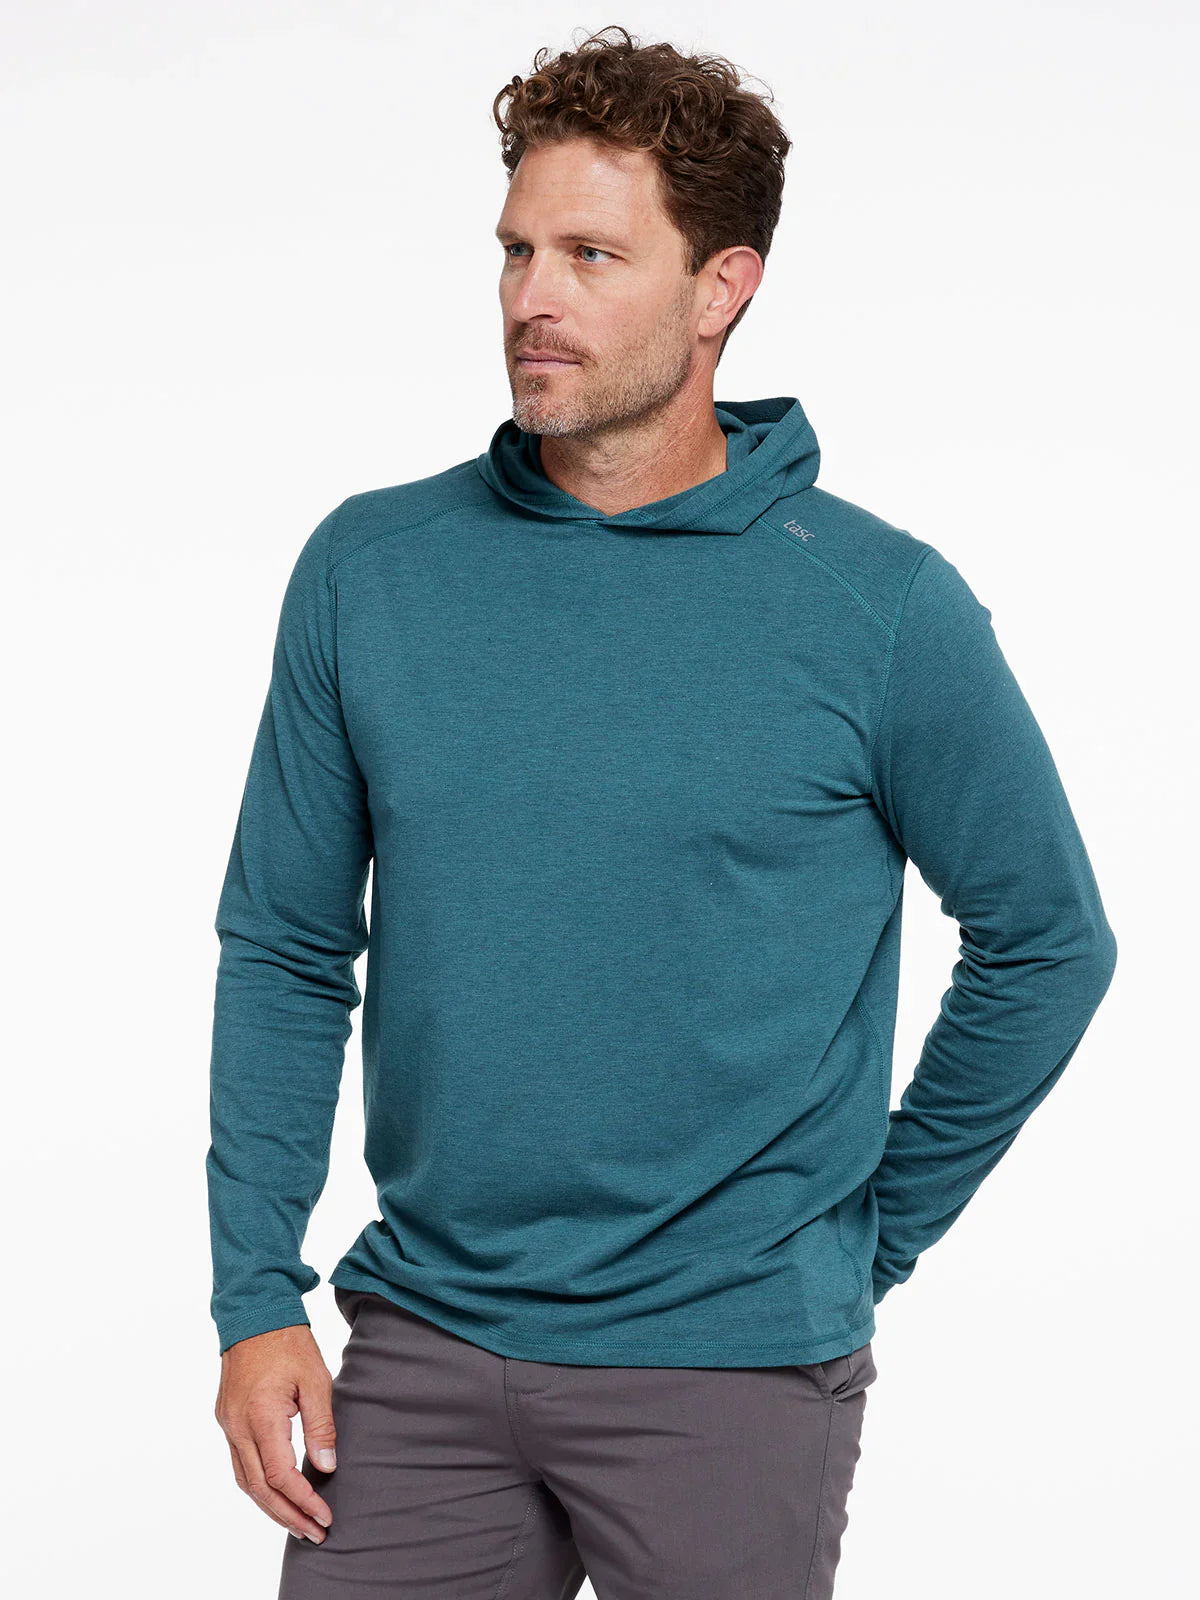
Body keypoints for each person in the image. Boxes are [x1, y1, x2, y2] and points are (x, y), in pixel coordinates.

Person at [207, 25, 1118, 1600]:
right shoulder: (372, 570)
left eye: (591, 254)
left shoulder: (880, 607)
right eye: (515, 250)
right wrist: (252, 1295)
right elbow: (287, 946)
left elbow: (1048, 941)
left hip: (731, 1373)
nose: (531, 297)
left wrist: (862, 1236)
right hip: (424, 1347)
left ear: (721, 289)